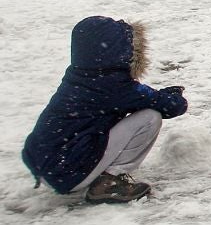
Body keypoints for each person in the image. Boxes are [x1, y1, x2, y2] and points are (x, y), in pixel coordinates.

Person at [21, 16, 189, 204]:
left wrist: (161, 96)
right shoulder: (112, 85)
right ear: (119, 51)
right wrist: (174, 96)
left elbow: (141, 97)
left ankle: (84, 170)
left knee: (123, 115)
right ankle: (109, 182)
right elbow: (169, 107)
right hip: (67, 171)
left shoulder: (80, 76)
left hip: (45, 163)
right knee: (150, 117)